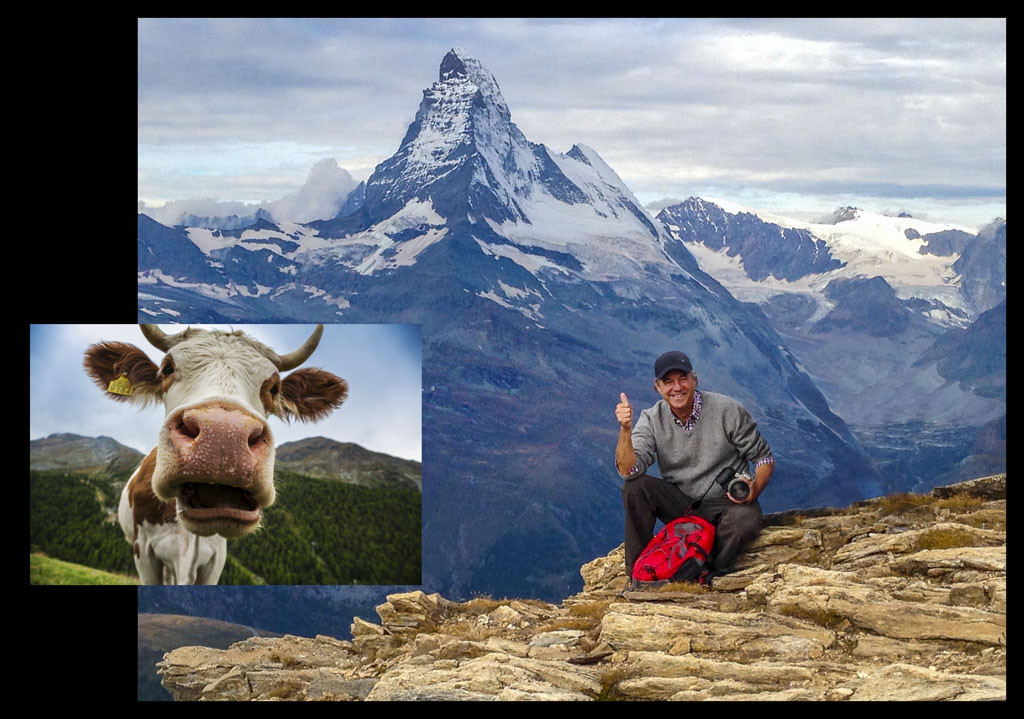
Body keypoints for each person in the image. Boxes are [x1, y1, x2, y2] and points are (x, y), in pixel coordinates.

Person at [614, 350, 775, 585]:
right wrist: (625, 430)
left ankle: (708, 572)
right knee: (635, 488)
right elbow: (629, 471)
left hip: (726, 503)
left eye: (683, 379)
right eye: (668, 382)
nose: (677, 387)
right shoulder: (651, 419)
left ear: (694, 380)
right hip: (682, 505)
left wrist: (755, 488)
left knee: (747, 517)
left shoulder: (727, 410)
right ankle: (639, 576)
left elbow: (763, 458)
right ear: (657, 387)